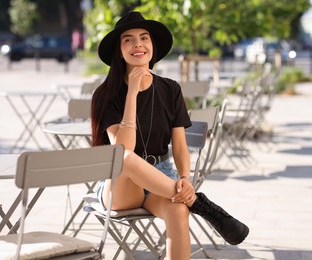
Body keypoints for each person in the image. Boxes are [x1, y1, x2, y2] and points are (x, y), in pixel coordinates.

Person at [91, 11, 249, 260]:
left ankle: (190, 200)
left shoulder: (170, 89)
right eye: (128, 40)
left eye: (144, 38)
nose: (138, 44)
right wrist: (132, 93)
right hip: (120, 184)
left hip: (163, 177)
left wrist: (185, 176)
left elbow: (180, 146)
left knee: (177, 211)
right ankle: (199, 204)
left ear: (152, 46)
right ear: (119, 50)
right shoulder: (105, 94)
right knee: (122, 156)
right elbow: (123, 147)